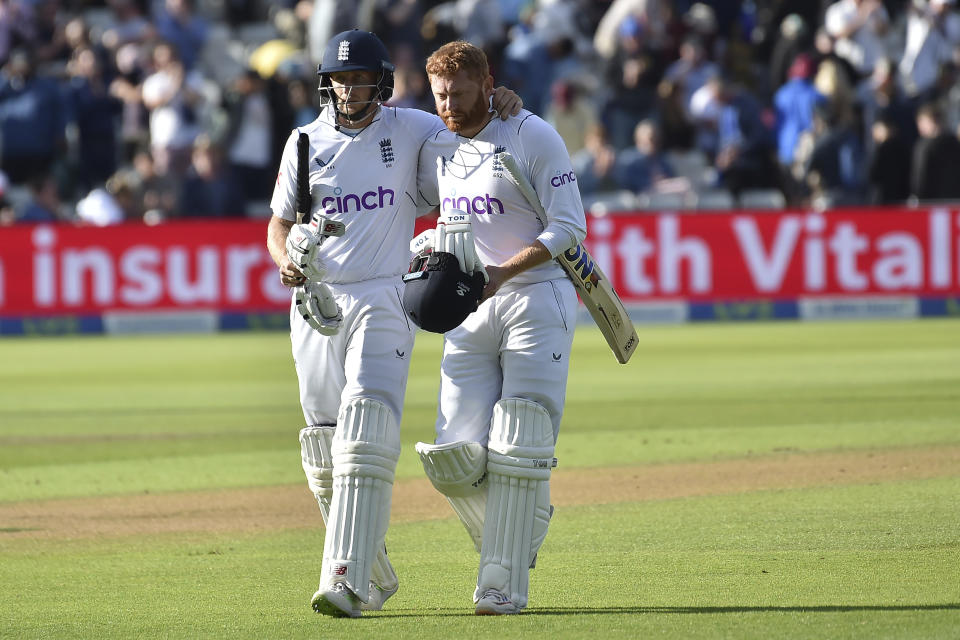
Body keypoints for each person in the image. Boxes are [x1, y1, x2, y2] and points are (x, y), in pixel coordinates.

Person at [265, 29, 520, 619]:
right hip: (317, 301)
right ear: (326, 83)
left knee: (367, 422)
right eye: (340, 79)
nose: (349, 89)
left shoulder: (412, 128)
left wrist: (502, 100)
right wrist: (286, 261)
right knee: (322, 445)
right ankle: (374, 573)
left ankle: (344, 579)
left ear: (379, 82)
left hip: (385, 294)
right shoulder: (303, 142)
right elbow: (278, 224)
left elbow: (472, 130)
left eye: (359, 79)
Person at [414, 40, 587, 616]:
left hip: (537, 298)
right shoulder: (437, 142)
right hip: (469, 305)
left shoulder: (531, 134)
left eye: (461, 93)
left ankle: (501, 586)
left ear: (488, 83)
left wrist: (501, 273)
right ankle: (526, 516)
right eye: (440, 95)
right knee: (453, 456)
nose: (450, 106)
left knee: (520, 440)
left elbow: (569, 230)